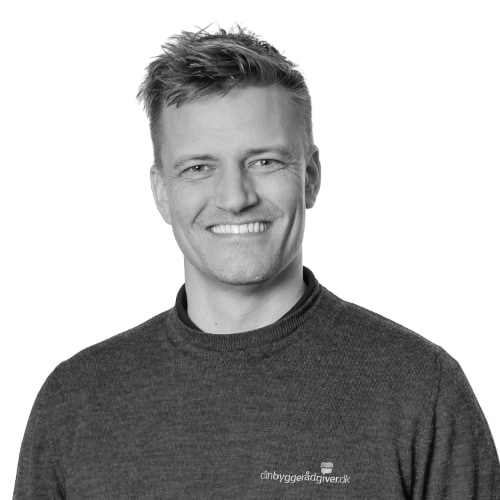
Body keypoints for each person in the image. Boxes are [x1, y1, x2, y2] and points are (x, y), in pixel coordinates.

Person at [13, 26, 500, 499]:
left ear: (310, 176)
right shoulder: (75, 403)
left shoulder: (420, 389)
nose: (235, 197)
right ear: (161, 192)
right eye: (198, 167)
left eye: (264, 161)